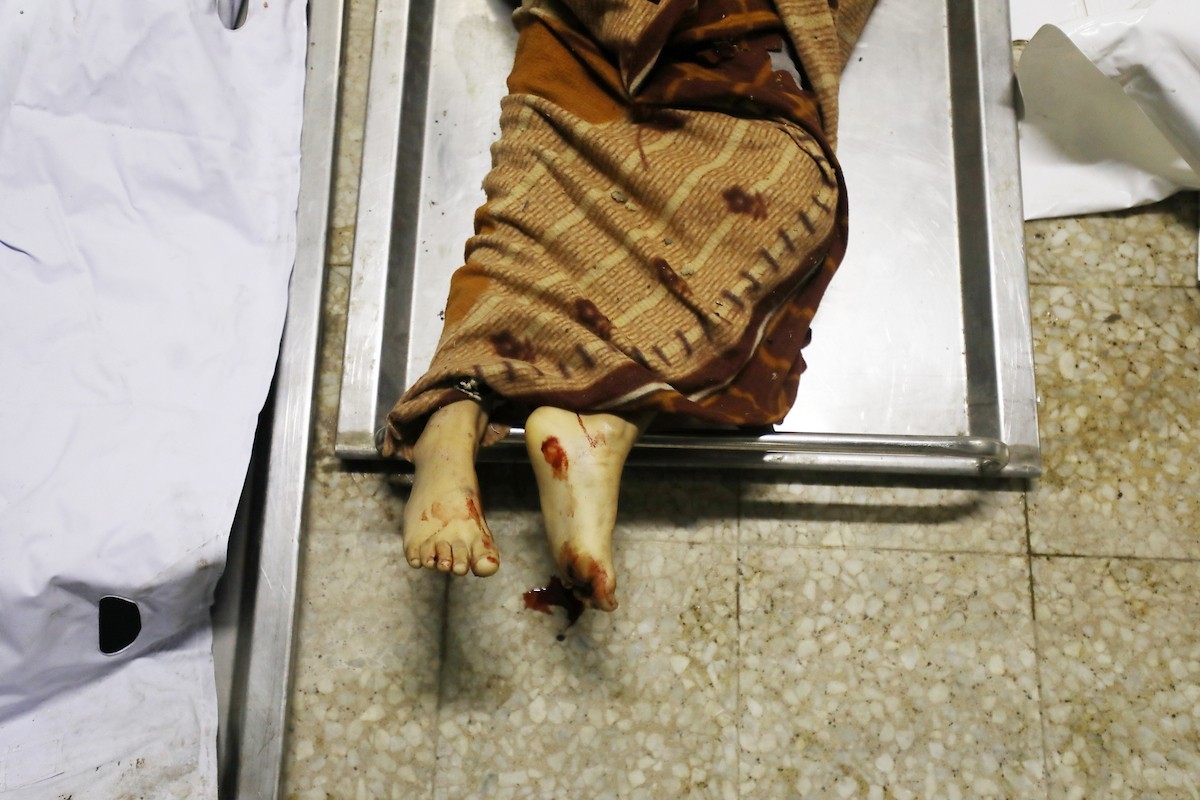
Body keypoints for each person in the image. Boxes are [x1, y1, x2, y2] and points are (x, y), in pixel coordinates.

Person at [380, 0, 876, 611]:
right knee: (556, 196)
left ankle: (550, 422)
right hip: (614, 41)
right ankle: (470, 422)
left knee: (779, 185)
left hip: (696, 69)